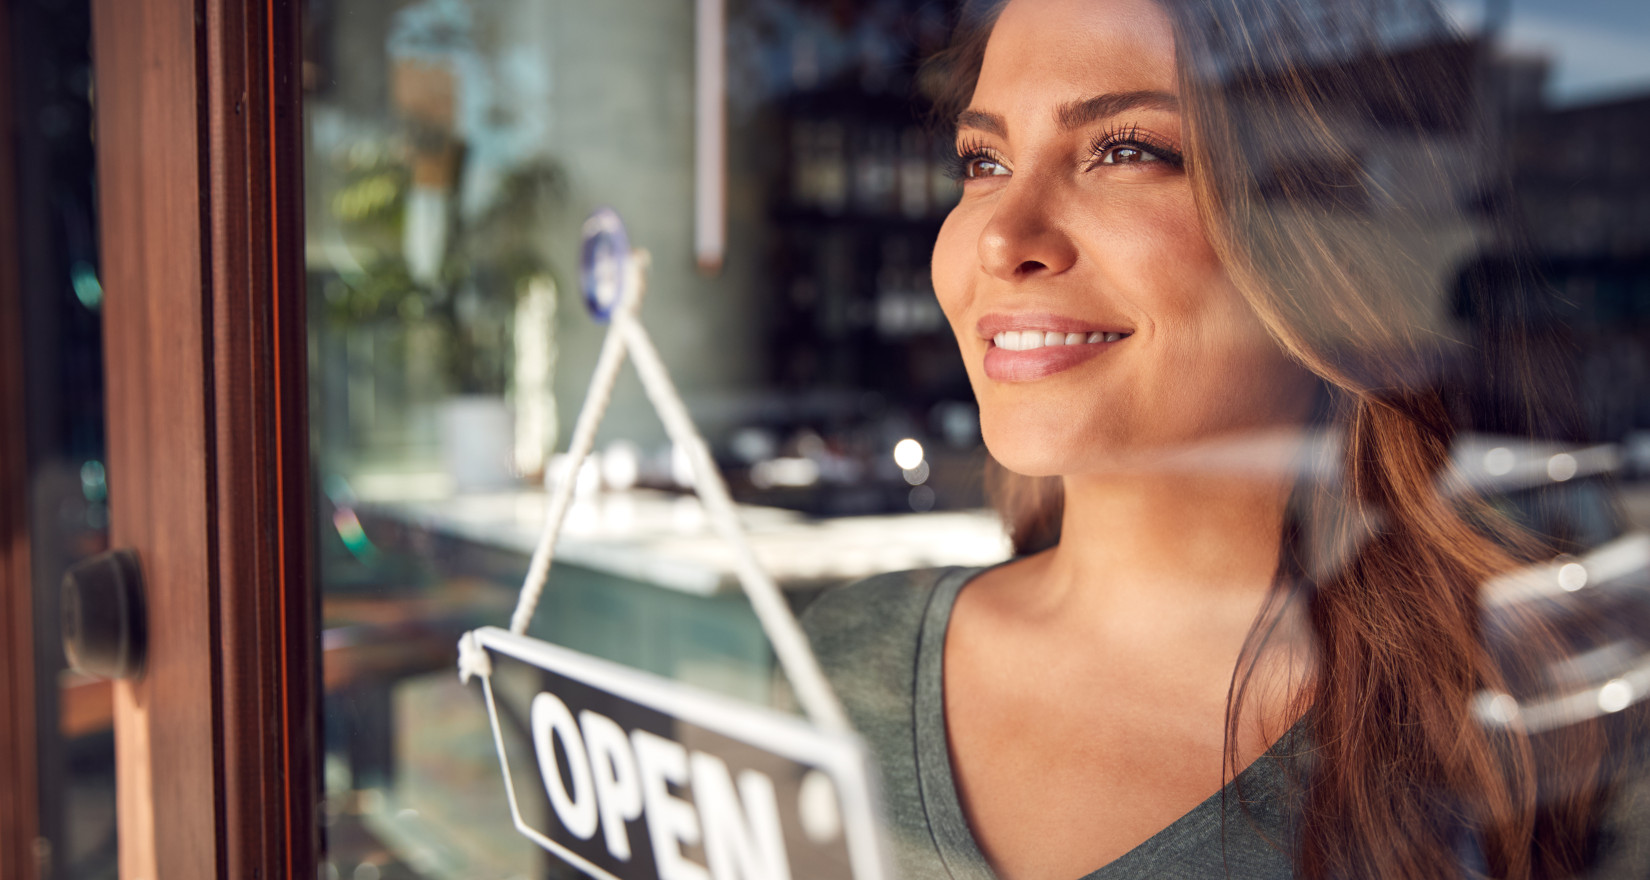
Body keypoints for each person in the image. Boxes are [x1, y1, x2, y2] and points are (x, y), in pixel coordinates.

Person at [801, 0, 1650, 877]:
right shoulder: (842, 665)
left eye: (1126, 151)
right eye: (983, 161)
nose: (1003, 239)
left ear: (1335, 234)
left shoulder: (1569, 724)